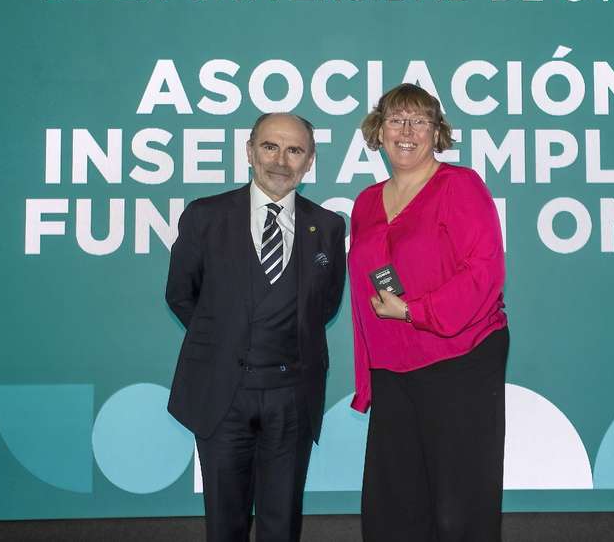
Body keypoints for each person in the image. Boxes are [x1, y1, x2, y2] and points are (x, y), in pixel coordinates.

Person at [165, 112, 347, 542]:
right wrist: (226, 339)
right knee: (224, 524)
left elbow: (325, 305)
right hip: (223, 394)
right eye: (270, 146)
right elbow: (180, 294)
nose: (281, 160)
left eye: (294, 150)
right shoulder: (205, 216)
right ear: (250, 152)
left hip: (292, 396)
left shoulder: (328, 226)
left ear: (309, 161)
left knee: (281, 522)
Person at [348, 83, 509, 542]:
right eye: (396, 120)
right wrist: (367, 376)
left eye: (419, 121)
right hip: (392, 367)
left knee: (459, 509)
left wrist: (415, 311)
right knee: (393, 508)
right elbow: (363, 296)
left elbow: (485, 272)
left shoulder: (460, 185)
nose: (407, 131)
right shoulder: (366, 202)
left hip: (460, 358)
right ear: (378, 130)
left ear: (436, 132)